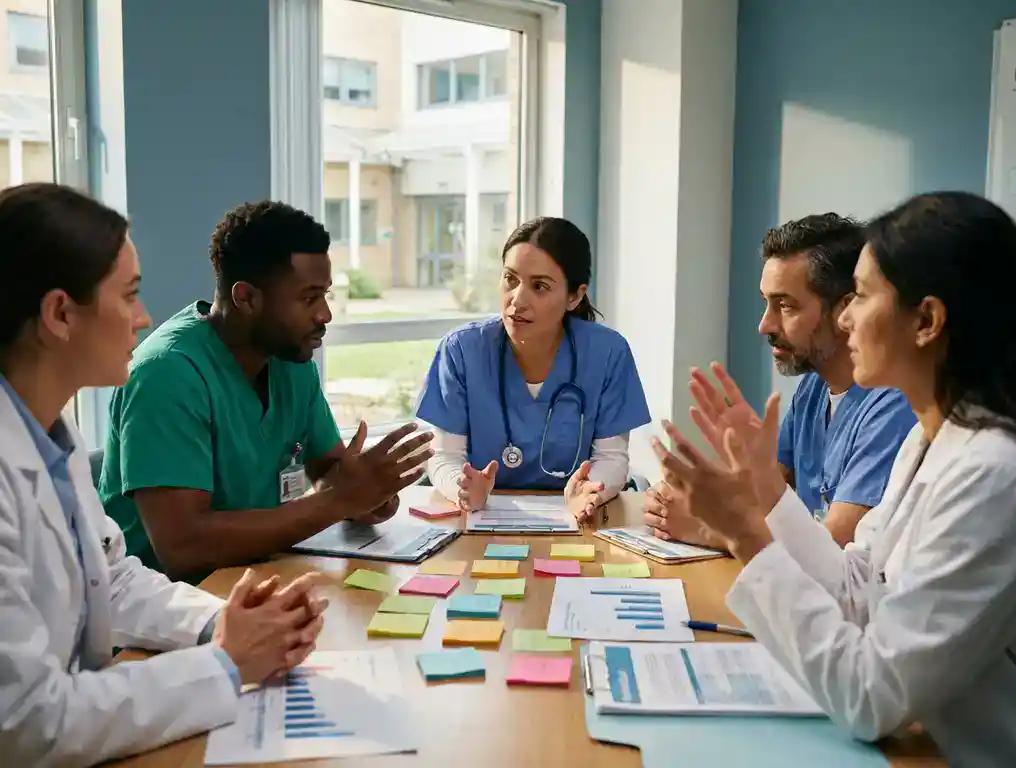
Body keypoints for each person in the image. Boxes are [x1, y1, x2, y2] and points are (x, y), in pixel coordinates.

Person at [654, 191, 1016, 765]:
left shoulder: (994, 475)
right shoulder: (927, 442)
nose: (846, 318)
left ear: (926, 321)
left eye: (863, 297)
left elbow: (871, 697)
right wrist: (765, 486)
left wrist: (746, 536)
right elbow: (858, 589)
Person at [0, 183, 328, 767]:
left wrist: (229, 623)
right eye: (129, 295)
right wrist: (224, 664)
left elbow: (112, 579)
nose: (144, 318)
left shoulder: (49, 433)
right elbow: (29, 722)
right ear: (60, 314)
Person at [100, 201, 432, 580]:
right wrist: (340, 500)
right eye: (308, 298)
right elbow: (184, 548)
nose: (324, 314)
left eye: (325, 295)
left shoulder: (290, 360)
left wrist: (368, 494)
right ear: (246, 298)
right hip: (165, 605)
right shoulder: (167, 375)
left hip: (256, 581)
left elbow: (330, 472)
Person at [645, 214, 917, 547]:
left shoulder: (893, 405)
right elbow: (763, 499)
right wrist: (688, 498)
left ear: (844, 311)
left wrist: (707, 530)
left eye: (785, 305)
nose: (765, 325)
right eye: (766, 303)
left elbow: (835, 545)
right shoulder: (813, 388)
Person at [415, 217, 650, 519]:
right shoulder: (462, 350)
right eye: (510, 279)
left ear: (575, 296)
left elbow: (611, 458)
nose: (517, 299)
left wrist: (590, 491)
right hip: (480, 515)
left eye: (539, 286)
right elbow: (444, 455)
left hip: (575, 518)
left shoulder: (607, 353)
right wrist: (462, 488)